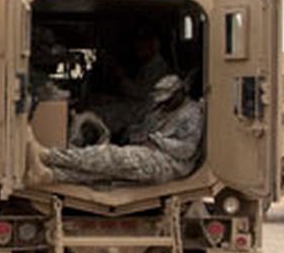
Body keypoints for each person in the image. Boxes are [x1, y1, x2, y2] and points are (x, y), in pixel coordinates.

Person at [26, 75, 203, 186]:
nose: (162, 104)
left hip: (170, 163)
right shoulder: (162, 110)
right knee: (103, 171)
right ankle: (50, 175)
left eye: (167, 100)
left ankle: (48, 156)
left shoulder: (191, 113)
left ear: (179, 94)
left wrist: (155, 140)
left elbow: (186, 150)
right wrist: (130, 134)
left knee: (112, 157)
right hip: (151, 152)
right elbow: (143, 128)